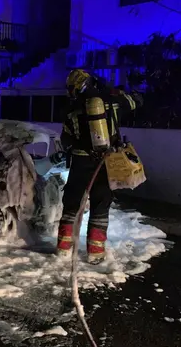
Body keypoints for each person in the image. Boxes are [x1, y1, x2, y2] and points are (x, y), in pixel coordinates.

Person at [56, 69, 142, 264]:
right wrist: (118, 92)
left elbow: (66, 139)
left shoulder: (70, 109)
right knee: (100, 206)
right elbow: (135, 101)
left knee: (71, 204)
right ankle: (95, 253)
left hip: (80, 162)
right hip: (105, 163)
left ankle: (63, 250)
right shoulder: (111, 102)